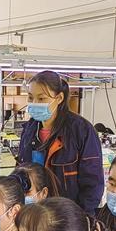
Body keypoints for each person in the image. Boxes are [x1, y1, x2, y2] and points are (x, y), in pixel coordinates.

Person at [17, 70, 104, 212]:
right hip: (35, 212)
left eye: (41, 98)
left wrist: (82, 217)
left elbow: (93, 183)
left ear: (59, 98)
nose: (34, 103)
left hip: (68, 214)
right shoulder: (29, 130)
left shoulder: (82, 131)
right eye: (31, 97)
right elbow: (21, 171)